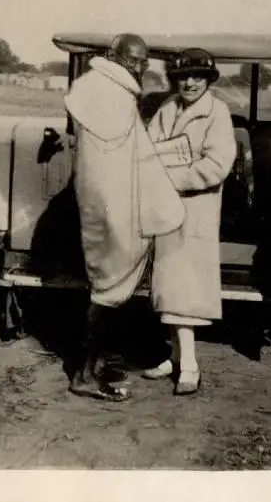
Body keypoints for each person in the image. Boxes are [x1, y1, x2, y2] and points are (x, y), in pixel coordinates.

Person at [64, 33, 185, 402]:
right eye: (133, 60)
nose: (140, 66)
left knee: (109, 290)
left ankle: (93, 364)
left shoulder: (98, 89)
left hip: (104, 202)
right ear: (113, 57)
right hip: (113, 207)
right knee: (107, 292)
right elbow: (115, 164)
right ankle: (84, 375)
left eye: (144, 61)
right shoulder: (111, 93)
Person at [142, 48, 238, 395]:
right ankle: (175, 356)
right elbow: (148, 150)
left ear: (209, 80)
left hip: (195, 211)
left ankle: (191, 366)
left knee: (185, 290)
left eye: (198, 76)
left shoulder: (217, 113)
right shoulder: (167, 109)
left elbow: (217, 166)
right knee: (168, 286)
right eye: (184, 76)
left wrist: (170, 177)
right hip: (165, 212)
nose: (191, 82)